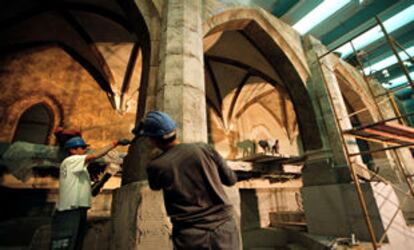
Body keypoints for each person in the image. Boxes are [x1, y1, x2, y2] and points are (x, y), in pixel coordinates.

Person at [134, 111, 240, 250]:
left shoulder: (156, 166)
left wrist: (153, 158)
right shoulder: (204, 148)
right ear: (175, 131)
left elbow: (155, 186)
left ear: (153, 140)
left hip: (189, 235)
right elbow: (231, 179)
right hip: (225, 229)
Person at [50, 136, 130, 250]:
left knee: (76, 243)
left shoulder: (81, 171)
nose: (84, 150)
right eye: (82, 148)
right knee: (64, 244)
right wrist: (115, 142)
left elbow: (92, 192)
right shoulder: (70, 161)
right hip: (69, 210)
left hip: (79, 210)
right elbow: (95, 156)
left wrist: (107, 175)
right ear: (72, 150)